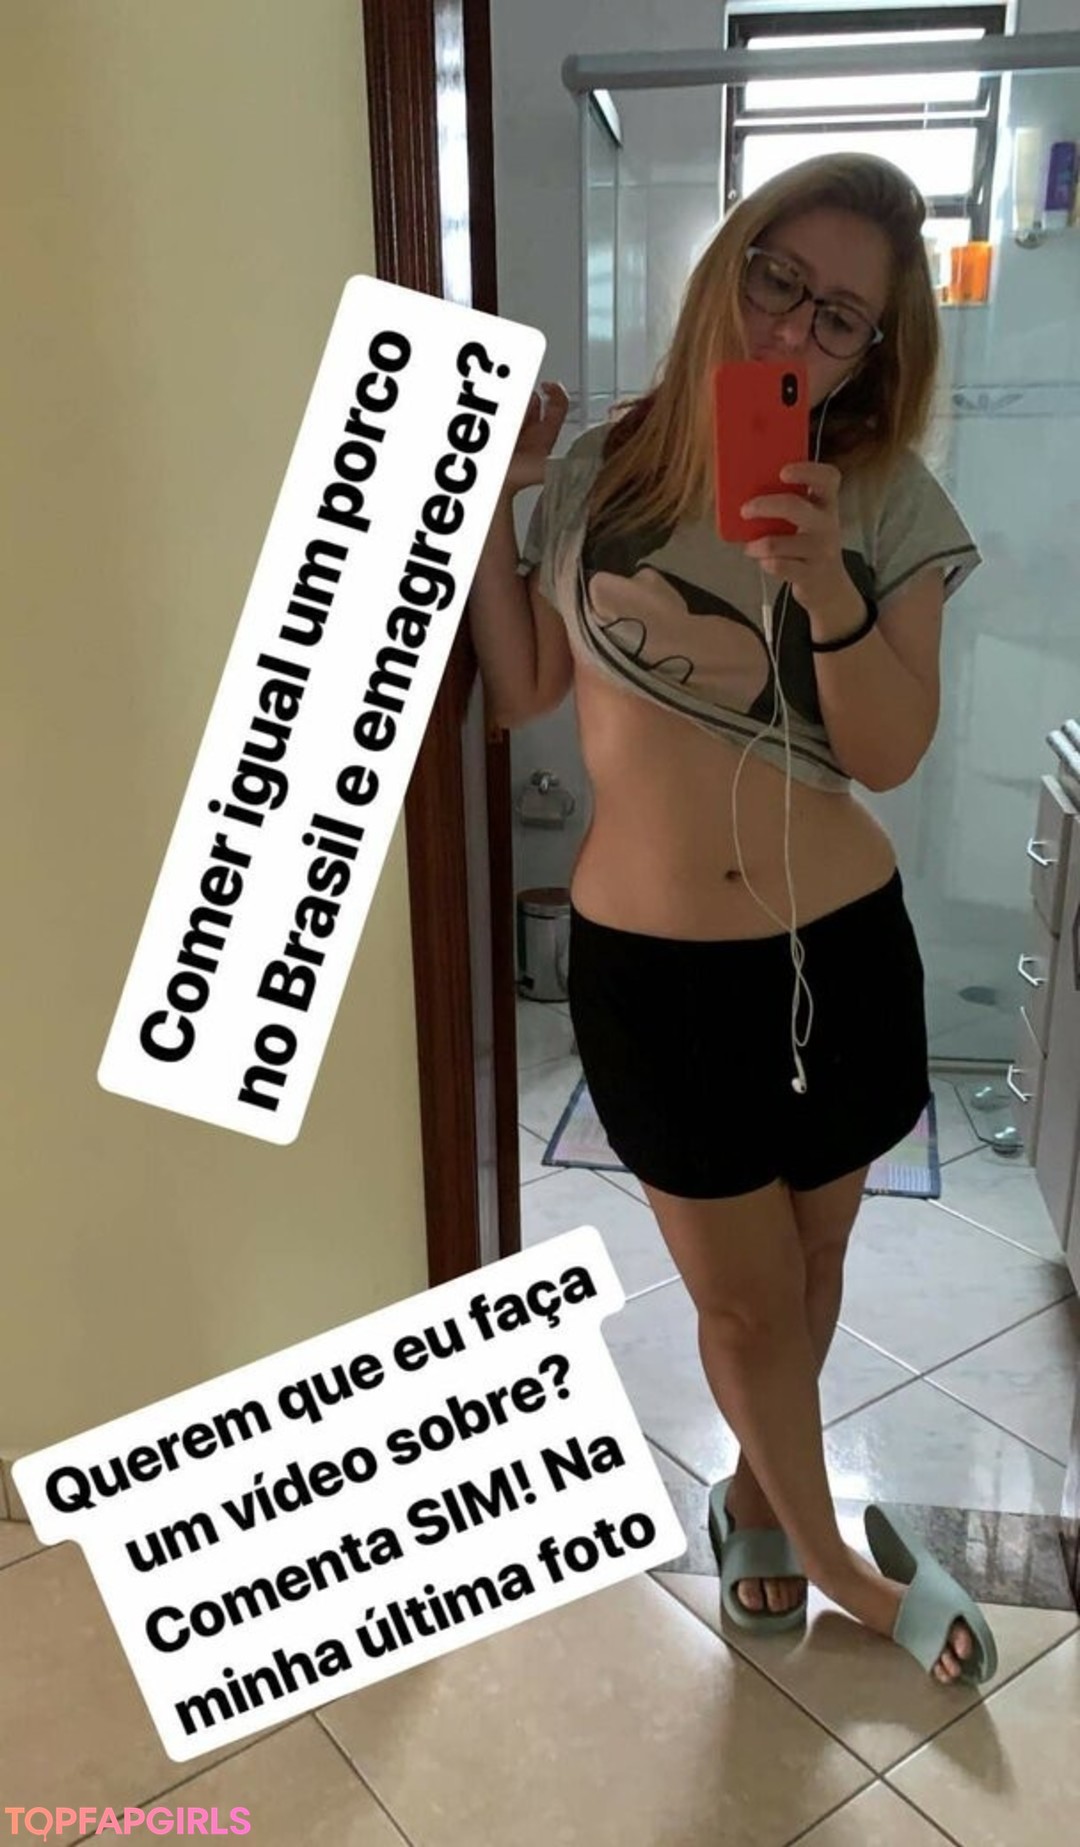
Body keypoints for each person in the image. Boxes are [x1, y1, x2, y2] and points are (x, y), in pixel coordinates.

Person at [467, 153, 998, 1688]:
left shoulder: (883, 499)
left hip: (839, 952)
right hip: (650, 970)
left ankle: (761, 1503)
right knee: (746, 1306)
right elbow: (524, 690)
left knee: (811, 1273)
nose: (794, 330)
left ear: (873, 351)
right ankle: (845, 1570)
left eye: (840, 319)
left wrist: (825, 583)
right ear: (729, 266)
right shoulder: (603, 474)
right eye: (780, 280)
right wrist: (493, 509)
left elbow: (888, 752)